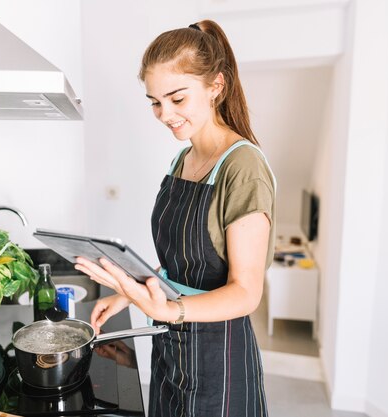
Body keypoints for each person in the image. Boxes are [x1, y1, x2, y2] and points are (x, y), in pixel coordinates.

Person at [75, 19, 275, 417]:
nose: (164, 114)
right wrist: (128, 292)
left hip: (219, 361)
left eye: (176, 99)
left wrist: (170, 310)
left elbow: (246, 292)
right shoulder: (183, 159)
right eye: (154, 101)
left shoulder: (243, 167)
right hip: (171, 346)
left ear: (215, 86)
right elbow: (182, 262)